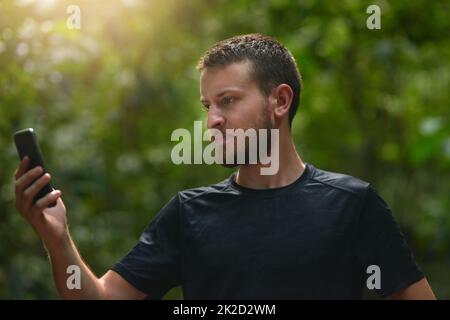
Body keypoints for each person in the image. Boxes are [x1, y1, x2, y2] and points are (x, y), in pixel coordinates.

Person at [14, 34, 436, 299]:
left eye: (228, 101)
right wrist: (57, 238)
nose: (212, 119)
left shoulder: (352, 205)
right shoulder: (188, 214)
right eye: (207, 105)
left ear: (280, 101)